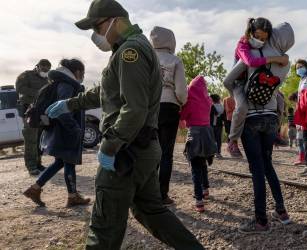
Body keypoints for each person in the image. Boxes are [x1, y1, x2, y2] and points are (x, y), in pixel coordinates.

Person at [45, 1, 203, 249]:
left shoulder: (132, 52)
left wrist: (109, 146)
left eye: (97, 27)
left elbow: (134, 108)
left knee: (103, 227)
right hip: (141, 148)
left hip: (126, 151)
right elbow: (107, 91)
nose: (96, 36)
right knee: (151, 210)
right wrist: (71, 104)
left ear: (115, 20)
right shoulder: (127, 50)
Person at [223, 22, 294, 233]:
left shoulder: (254, 53)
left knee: (256, 170)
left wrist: (236, 91)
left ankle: (261, 221)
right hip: (272, 117)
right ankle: (282, 212)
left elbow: (229, 79)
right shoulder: (286, 62)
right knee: (268, 165)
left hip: (252, 118)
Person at [23, 59, 90, 207]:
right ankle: (71, 196)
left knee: (62, 162)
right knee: (68, 161)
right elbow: (62, 111)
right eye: (83, 73)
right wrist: (75, 129)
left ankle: (36, 189)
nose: (83, 76)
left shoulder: (60, 83)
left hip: (61, 130)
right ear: (77, 72)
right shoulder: (67, 85)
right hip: (66, 131)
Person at [224, 17, 289, 158]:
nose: (261, 41)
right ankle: (232, 141)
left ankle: (275, 133)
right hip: (239, 82)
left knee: (280, 101)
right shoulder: (243, 43)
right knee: (242, 108)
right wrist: (276, 59)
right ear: (251, 32)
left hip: (256, 81)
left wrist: (285, 57)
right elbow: (251, 61)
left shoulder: (264, 46)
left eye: (264, 39)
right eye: (258, 37)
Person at [150, 26, 188, 206]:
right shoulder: (175, 60)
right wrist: (181, 101)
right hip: (169, 106)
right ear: (171, 41)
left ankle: (146, 193)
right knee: (166, 153)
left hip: (149, 107)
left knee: (149, 151)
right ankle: (162, 194)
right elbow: (181, 90)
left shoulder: (146, 58)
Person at [180, 76, 217, 213]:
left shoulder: (189, 100)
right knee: (203, 163)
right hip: (207, 133)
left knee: (195, 167)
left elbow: (183, 116)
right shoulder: (208, 101)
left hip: (194, 133)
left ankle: (199, 200)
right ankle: (205, 188)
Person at [15, 59, 51, 176]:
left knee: (40, 138)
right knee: (31, 138)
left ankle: (38, 163)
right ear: (37, 67)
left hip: (42, 111)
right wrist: (38, 92)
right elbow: (20, 88)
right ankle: (31, 166)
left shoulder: (48, 79)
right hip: (29, 110)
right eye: (43, 68)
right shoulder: (26, 75)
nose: (45, 71)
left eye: (47, 69)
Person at [210, 94, 224, 158]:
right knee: (218, 139)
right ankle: (218, 152)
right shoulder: (222, 106)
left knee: (212, 139)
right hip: (220, 125)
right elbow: (223, 116)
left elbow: (210, 115)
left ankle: (212, 152)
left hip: (212, 125)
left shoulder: (211, 106)